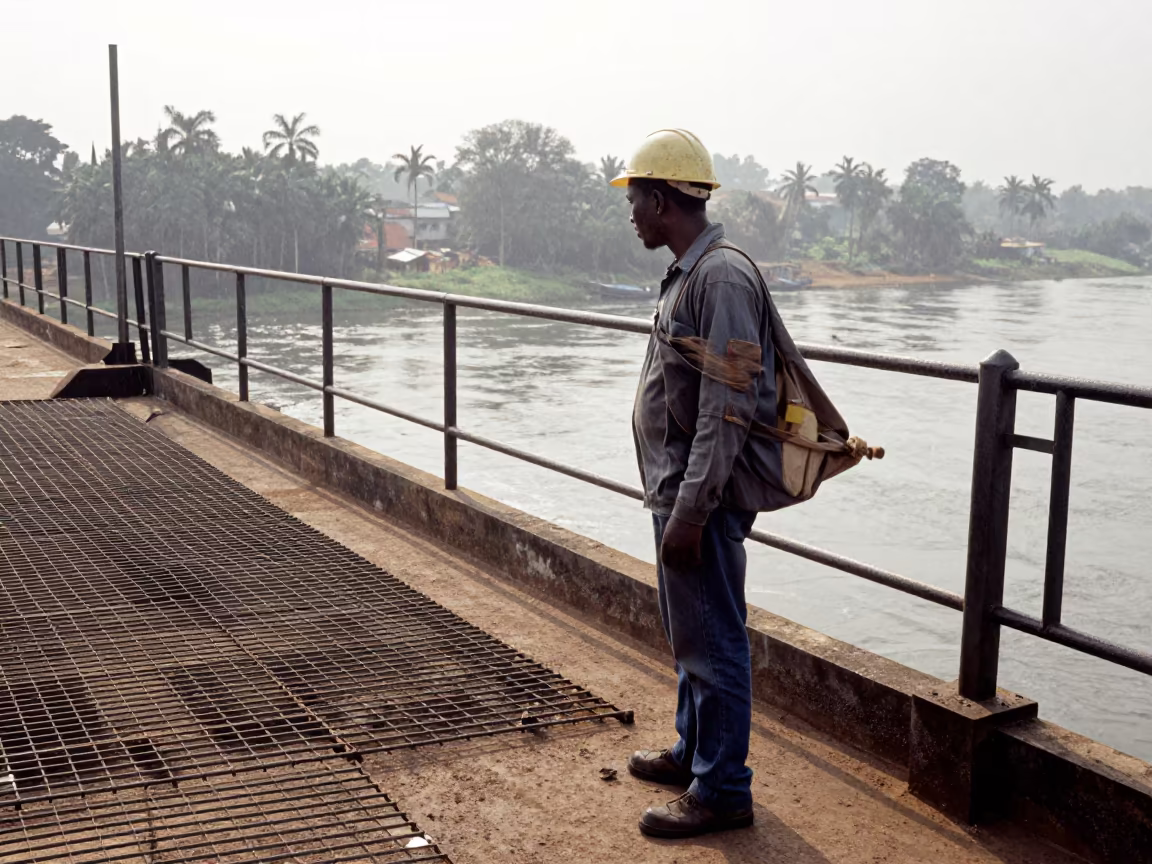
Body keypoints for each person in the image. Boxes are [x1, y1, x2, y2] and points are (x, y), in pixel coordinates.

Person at [609, 129, 789, 839]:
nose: (631, 215)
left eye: (637, 200)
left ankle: (722, 790)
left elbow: (728, 408)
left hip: (698, 499)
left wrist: (690, 511)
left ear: (663, 200)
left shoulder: (720, 278)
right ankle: (694, 753)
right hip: (677, 490)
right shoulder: (693, 271)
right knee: (692, 634)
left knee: (714, 638)